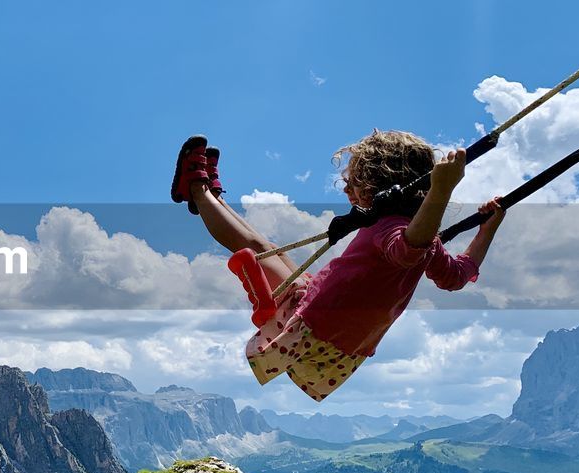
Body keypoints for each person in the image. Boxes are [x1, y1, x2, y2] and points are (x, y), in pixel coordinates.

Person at [171, 131, 506, 401]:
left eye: (354, 181)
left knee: (256, 248)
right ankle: (215, 198)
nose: (346, 188)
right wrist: (487, 229)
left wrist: (442, 189)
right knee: (266, 248)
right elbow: (457, 276)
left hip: (315, 325)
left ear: (383, 184)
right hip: (326, 324)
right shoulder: (420, 237)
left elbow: (407, 248)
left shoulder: (398, 231)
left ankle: (199, 192)